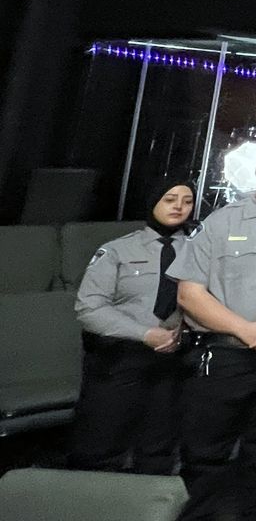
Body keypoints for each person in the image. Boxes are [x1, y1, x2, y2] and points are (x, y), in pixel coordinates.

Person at [167, 136, 256, 501]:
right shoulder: (220, 222)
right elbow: (189, 294)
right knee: (204, 456)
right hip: (224, 355)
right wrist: (243, 329)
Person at [70, 176, 194, 474]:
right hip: (120, 359)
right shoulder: (117, 250)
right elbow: (89, 308)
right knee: (100, 448)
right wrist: (145, 334)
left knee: (159, 451)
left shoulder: (200, 251)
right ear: (153, 202)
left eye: (187, 201)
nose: (178, 206)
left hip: (174, 362)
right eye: (170, 199)